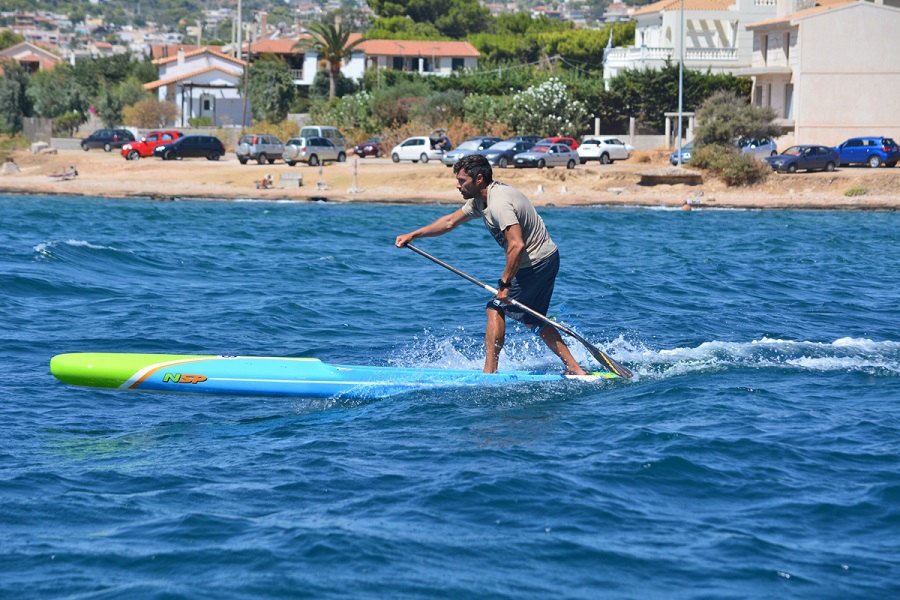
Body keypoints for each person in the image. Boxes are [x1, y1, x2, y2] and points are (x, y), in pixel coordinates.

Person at [395, 153, 586, 375]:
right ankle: (574, 368)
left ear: (479, 180)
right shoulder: (482, 200)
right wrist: (413, 235)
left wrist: (504, 285)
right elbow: (449, 222)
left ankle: (489, 372)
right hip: (544, 259)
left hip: (536, 263)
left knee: (495, 307)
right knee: (532, 319)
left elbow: (517, 245)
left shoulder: (499, 203)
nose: (458, 186)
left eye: (462, 181)